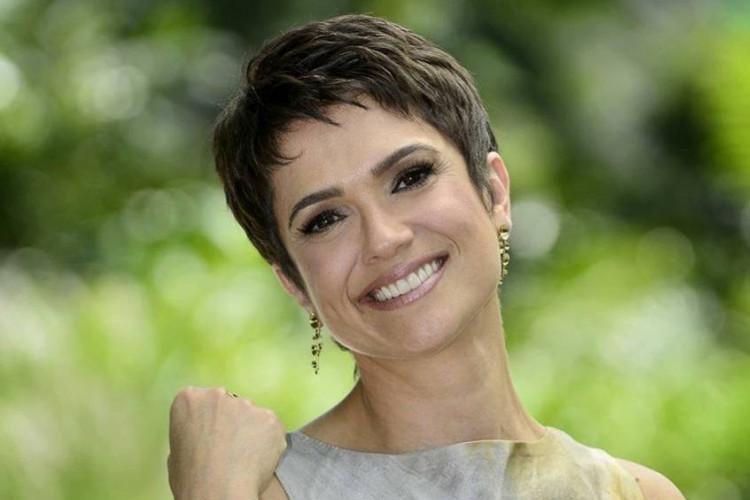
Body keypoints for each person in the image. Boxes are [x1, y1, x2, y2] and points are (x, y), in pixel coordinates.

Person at [167, 14, 685, 500]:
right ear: (293, 282)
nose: (383, 238)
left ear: (495, 192)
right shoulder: (252, 490)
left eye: (410, 177)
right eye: (325, 220)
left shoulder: (633, 493)